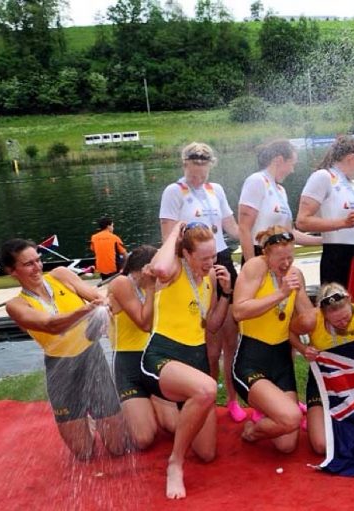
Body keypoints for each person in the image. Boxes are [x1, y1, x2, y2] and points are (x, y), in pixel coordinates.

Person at [1, 239, 127, 459]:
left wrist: (102, 306)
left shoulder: (60, 274)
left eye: (38, 260)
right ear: (12, 271)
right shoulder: (17, 305)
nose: (38, 267)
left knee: (117, 448)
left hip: (91, 358)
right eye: (28, 264)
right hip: (60, 369)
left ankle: (102, 413)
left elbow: (97, 296)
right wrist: (86, 310)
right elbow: (50, 325)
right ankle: (84, 417)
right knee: (85, 454)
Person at [141, 221, 232, 499]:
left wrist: (226, 294)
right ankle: (175, 463)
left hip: (195, 360)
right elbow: (158, 268)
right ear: (187, 254)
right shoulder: (174, 270)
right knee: (206, 389)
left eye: (213, 255)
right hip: (163, 355)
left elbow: (213, 324)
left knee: (206, 453)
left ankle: (175, 414)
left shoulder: (211, 277)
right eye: (204, 257)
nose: (210, 262)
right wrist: (174, 232)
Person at [159, 142, 244, 423]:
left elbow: (231, 225)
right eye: (194, 175)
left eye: (203, 174)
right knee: (210, 344)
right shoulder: (174, 191)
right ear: (184, 166)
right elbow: (169, 238)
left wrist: (254, 239)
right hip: (192, 264)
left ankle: (232, 400)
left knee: (231, 337)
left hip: (221, 259)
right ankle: (205, 396)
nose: (198, 180)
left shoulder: (215, 190)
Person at [231, 226, 315, 453]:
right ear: (266, 254)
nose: (286, 264)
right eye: (280, 259)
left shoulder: (294, 274)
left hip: (281, 360)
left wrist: (301, 294)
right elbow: (238, 311)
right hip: (251, 359)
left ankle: (261, 419)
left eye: (290, 257)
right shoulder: (255, 267)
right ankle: (252, 430)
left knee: (287, 445)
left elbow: (308, 320)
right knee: (290, 418)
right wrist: (281, 293)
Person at [108, 245, 177, 449]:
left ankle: (149, 405)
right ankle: (125, 411)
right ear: (145, 269)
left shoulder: (157, 285)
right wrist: (150, 288)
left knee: (174, 425)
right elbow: (144, 323)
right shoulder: (122, 282)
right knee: (144, 439)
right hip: (128, 362)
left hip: (152, 358)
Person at [293, 283, 354, 454]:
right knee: (321, 446)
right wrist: (303, 349)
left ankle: (334, 421)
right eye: (337, 321)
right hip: (322, 381)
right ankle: (321, 418)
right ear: (324, 314)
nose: (344, 323)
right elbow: (289, 332)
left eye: (347, 317)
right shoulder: (311, 319)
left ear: (350, 301)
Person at [296, 135, 354, 287]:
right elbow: (302, 221)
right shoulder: (323, 176)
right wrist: (343, 223)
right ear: (351, 158)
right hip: (335, 255)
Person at [238, 139, 321, 263]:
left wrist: (324, 241)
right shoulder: (257, 180)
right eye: (291, 164)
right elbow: (244, 228)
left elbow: (290, 232)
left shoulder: (281, 190)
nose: (292, 170)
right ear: (279, 160)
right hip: (259, 254)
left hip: (280, 257)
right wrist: (251, 265)